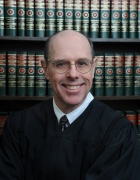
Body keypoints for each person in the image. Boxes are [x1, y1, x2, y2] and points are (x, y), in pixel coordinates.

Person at [0, 30, 140, 180]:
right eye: (61, 64)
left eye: (82, 63)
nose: (73, 74)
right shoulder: (19, 125)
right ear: (45, 68)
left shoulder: (119, 134)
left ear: (93, 68)